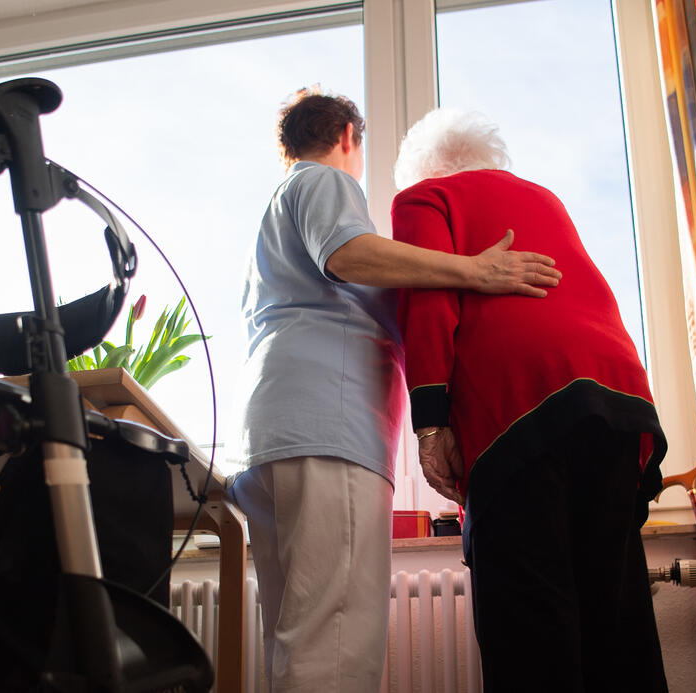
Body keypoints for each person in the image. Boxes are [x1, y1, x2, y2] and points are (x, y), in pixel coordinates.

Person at [227, 89, 562, 692]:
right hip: (326, 432)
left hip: (273, 437)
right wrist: (475, 270)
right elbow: (352, 254)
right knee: (335, 646)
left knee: (296, 640)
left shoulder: (275, 219)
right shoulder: (322, 182)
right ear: (350, 138)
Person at [391, 108, 668, 692]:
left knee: (533, 634)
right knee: (616, 630)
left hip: (519, 411)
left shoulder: (423, 200)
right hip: (617, 403)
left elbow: (430, 306)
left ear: (421, 171)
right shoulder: (544, 198)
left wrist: (431, 425)